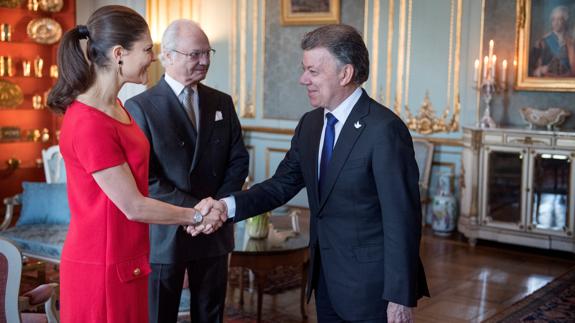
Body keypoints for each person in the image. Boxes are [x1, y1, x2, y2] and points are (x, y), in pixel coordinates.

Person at [191, 24, 429, 323]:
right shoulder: (311, 124)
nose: (303, 79)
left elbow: (402, 219)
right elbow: (280, 185)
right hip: (325, 279)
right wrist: (227, 206)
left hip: (373, 288)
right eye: (304, 70)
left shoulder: (384, 130)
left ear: (345, 74)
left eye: (313, 71)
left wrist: (400, 296)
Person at [46, 6, 224, 323]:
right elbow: (133, 206)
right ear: (119, 54)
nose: (153, 58)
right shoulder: (90, 122)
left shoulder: (115, 106)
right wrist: (195, 215)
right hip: (101, 265)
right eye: (146, 50)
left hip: (128, 258)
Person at [124, 19, 249, 323]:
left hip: (214, 230)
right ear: (167, 56)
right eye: (195, 54)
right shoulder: (140, 106)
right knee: (159, 315)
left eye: (207, 53)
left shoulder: (221, 101)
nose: (204, 61)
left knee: (211, 314)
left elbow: (238, 161)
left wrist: (216, 210)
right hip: (168, 230)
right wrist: (197, 213)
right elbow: (148, 178)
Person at [531, 5, 575, 77]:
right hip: (547, 82)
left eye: (559, 19)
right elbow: (530, 68)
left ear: (565, 21)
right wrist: (541, 69)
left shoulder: (571, 43)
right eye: (553, 19)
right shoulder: (542, 42)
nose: (555, 22)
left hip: (567, 83)